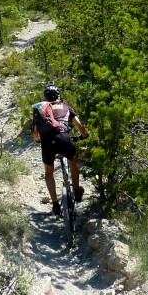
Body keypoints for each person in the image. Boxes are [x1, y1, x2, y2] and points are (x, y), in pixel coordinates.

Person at [31, 82, 88, 215]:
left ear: (46, 97)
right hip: (64, 138)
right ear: (58, 95)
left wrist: (38, 140)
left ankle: (55, 204)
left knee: (49, 171)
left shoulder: (41, 109)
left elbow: (35, 132)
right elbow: (79, 125)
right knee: (73, 161)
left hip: (47, 143)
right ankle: (76, 191)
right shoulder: (65, 107)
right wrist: (84, 136)